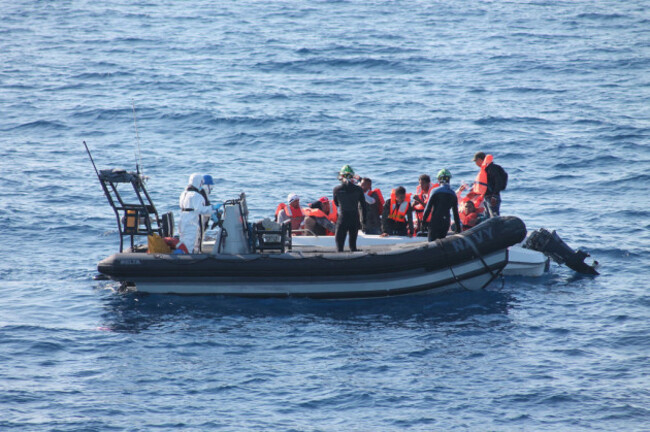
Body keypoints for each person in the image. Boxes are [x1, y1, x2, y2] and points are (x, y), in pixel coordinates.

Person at [333, 165, 367, 252]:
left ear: (341, 176)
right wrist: (363, 221)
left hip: (343, 217)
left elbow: (336, 203)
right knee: (353, 246)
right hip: (354, 217)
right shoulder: (358, 189)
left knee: (339, 247)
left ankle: (339, 257)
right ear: (352, 176)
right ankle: (354, 254)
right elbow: (363, 206)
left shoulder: (337, 189)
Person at [178, 173, 214, 253]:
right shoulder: (197, 195)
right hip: (191, 221)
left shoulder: (183, 194)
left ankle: (181, 254)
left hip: (182, 219)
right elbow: (201, 210)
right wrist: (213, 208)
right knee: (191, 242)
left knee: (183, 239)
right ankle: (189, 258)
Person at [422, 169, 462, 241]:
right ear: (449, 179)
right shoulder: (453, 194)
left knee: (432, 243)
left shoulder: (434, 191)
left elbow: (428, 208)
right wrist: (458, 229)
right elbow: (455, 214)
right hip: (446, 223)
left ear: (439, 179)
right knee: (442, 243)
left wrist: (423, 223)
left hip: (435, 222)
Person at [470, 151, 508, 217]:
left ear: (479, 160)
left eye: (475, 161)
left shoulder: (491, 168)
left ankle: (497, 226)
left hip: (492, 197)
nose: (475, 163)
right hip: (487, 197)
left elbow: (498, 181)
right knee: (487, 216)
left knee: (493, 215)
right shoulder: (485, 169)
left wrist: (494, 196)